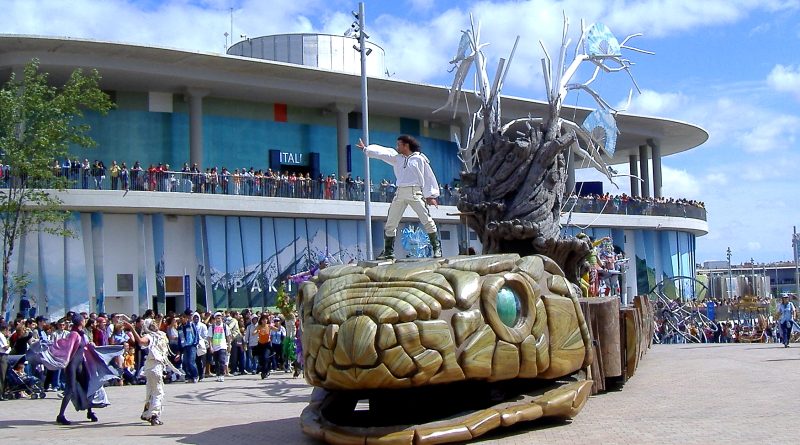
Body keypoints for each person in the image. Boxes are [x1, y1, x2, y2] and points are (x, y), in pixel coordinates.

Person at [357, 134, 442, 259]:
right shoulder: (397, 158)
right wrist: (366, 149)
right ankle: (389, 252)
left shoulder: (419, 159)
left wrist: (430, 195)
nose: (397, 147)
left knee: (426, 220)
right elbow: (382, 153)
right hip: (400, 192)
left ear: (406, 145)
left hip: (415, 192)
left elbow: (428, 176)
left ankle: (437, 249)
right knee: (391, 222)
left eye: (399, 145)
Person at [122, 317, 179, 426]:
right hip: (154, 366)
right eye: (152, 324)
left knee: (151, 391)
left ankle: (146, 413)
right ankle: (154, 415)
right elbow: (140, 341)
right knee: (158, 392)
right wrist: (132, 328)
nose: (154, 324)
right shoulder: (150, 336)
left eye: (154, 323)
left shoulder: (160, 334)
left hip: (154, 366)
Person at [207, 312, 231, 382]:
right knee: (216, 361)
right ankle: (218, 374)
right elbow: (210, 338)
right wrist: (210, 347)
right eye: (217, 318)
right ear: (215, 319)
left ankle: (222, 375)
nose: (219, 319)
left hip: (222, 346)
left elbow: (228, 336)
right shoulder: (212, 327)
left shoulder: (225, 326)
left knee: (222, 360)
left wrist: (229, 345)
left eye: (220, 318)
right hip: (215, 347)